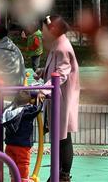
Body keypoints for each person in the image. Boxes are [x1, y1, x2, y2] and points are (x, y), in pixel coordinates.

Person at [38, 15, 79, 182]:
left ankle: (63, 175)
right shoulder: (58, 44)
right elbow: (57, 70)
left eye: (44, 30)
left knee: (63, 137)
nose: (42, 33)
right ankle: (59, 173)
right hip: (58, 98)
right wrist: (44, 72)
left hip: (62, 99)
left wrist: (43, 90)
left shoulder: (62, 47)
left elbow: (61, 74)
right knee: (60, 136)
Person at [2, 91, 42, 182]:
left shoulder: (9, 110)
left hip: (9, 145)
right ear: (28, 103)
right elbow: (37, 109)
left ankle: (14, 179)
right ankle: (23, 180)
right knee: (23, 163)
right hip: (22, 145)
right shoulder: (27, 111)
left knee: (12, 163)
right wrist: (38, 99)